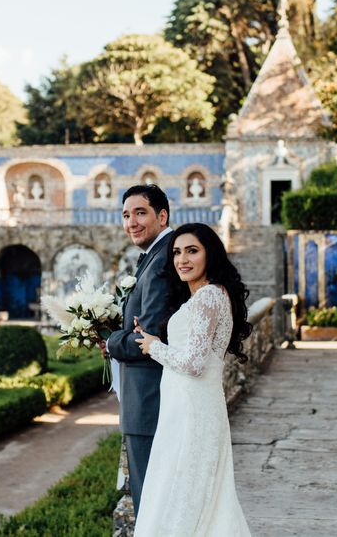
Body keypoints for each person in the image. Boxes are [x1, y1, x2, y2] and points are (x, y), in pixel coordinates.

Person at [133, 222, 253, 536]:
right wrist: (151, 338)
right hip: (188, 406)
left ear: (209, 255)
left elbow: (194, 363)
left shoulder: (209, 297)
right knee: (193, 491)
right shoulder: (206, 296)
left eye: (192, 251)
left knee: (184, 491)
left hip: (191, 410)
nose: (182, 259)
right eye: (176, 252)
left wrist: (153, 347)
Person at [103, 183, 173, 514]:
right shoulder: (155, 256)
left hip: (148, 401)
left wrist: (112, 340)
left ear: (162, 216)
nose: (131, 222)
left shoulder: (161, 262)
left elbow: (150, 335)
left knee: (150, 505)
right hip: (147, 398)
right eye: (126, 215)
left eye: (140, 213)